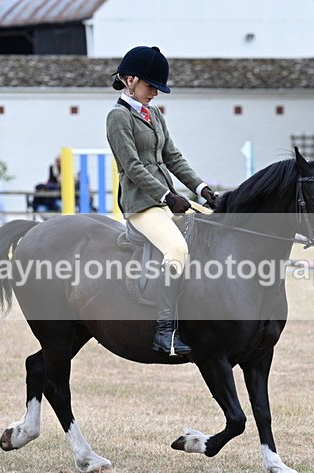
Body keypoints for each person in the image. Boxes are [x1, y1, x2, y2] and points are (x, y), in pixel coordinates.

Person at [106, 45, 219, 356]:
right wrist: (167, 196)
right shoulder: (117, 117)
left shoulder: (154, 114)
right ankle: (164, 331)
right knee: (177, 248)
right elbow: (132, 167)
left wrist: (202, 189)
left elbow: (173, 157)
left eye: (157, 88)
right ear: (130, 80)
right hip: (141, 204)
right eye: (150, 86)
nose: (154, 93)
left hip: (166, 199)